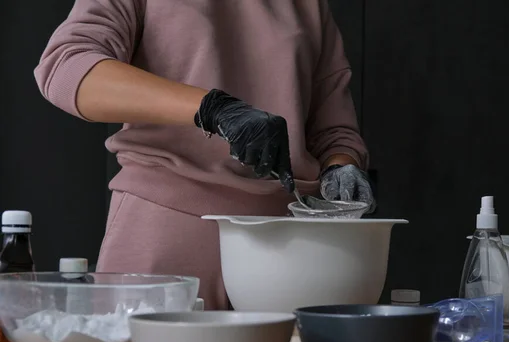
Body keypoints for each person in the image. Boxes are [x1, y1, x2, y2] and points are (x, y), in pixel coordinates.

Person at [34, 0, 375, 310]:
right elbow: (66, 66)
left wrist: (342, 168)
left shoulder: (310, 5)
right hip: (168, 232)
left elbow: (333, 130)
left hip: (288, 249)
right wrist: (212, 109)